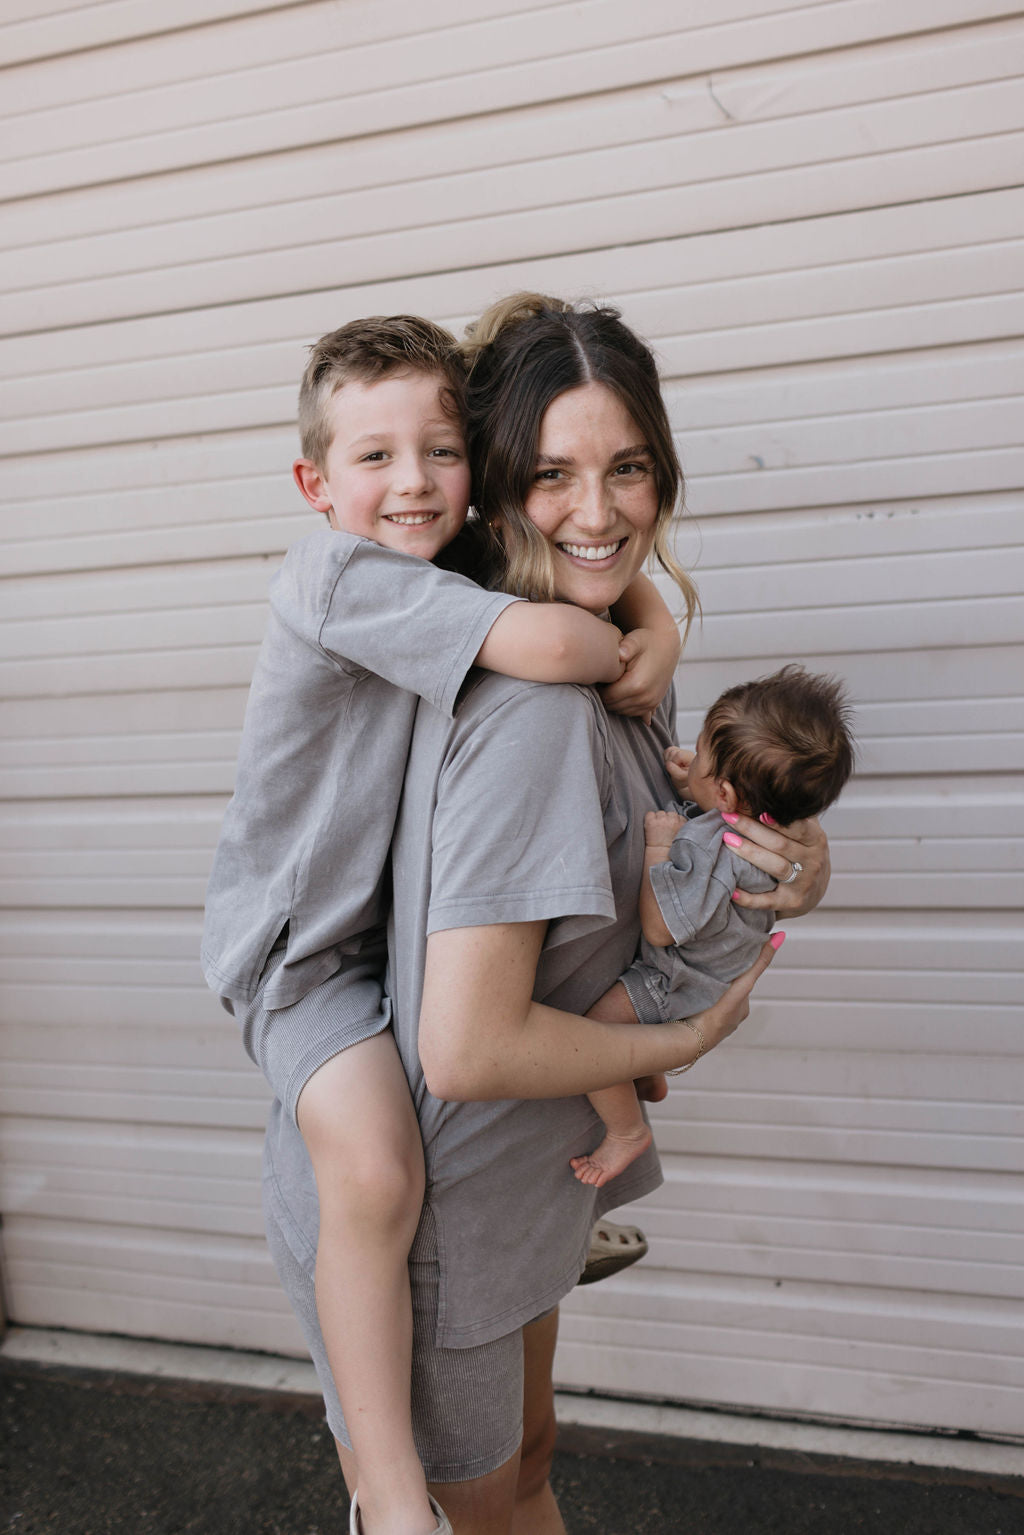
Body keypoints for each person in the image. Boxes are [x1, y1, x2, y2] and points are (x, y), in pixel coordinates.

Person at [260, 292, 832, 1535]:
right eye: (552, 472)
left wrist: (793, 854)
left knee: (523, 1465)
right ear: (503, 487)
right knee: (466, 1503)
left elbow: (673, 846)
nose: (597, 509)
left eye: (627, 467)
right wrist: (674, 1041)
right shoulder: (532, 697)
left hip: (511, 1183)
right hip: (431, 1200)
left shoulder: (599, 656)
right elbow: (469, 1046)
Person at [202, 315, 683, 1535]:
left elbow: (578, 566)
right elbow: (552, 631)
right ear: (314, 484)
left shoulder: (437, 557)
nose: (412, 482)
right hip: (298, 956)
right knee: (373, 1167)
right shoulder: (338, 575)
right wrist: (633, 635)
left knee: (523, 1446)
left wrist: (655, 619)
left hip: (371, 949)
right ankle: (390, 1492)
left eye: (440, 451)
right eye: (374, 458)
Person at [571, 663, 855, 1187]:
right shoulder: (777, 820)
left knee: (592, 1037)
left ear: (726, 795)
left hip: (680, 981)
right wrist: (696, 780)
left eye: (699, 750)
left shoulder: (708, 847)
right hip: (716, 970)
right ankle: (648, 1069)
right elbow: (720, 797)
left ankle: (627, 1130)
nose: (689, 755)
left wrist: (659, 846)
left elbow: (658, 929)